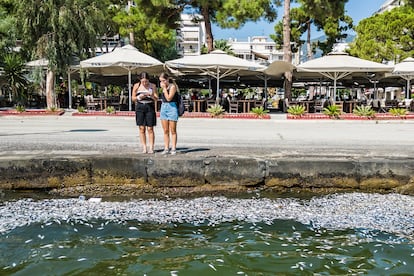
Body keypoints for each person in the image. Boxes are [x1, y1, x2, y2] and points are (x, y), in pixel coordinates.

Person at [132, 72, 158, 154]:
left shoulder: (152, 86)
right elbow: (133, 98)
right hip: (140, 106)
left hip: (149, 106)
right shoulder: (137, 85)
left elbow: (156, 98)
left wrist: (151, 95)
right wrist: (139, 97)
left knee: (150, 128)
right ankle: (144, 147)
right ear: (140, 80)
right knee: (141, 128)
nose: (145, 83)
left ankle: (151, 147)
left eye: (146, 81)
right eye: (143, 81)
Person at [159, 72, 179, 155]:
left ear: (167, 79)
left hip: (172, 107)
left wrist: (164, 89)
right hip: (164, 107)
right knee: (165, 130)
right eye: (161, 81)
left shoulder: (172, 87)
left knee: (173, 130)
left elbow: (169, 98)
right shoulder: (163, 87)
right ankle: (166, 147)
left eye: (163, 80)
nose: (162, 82)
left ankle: (173, 148)